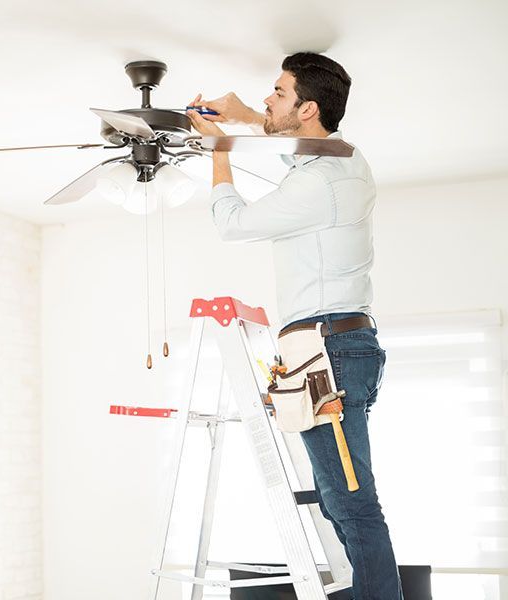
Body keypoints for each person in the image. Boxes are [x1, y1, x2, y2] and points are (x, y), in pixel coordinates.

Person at [187, 52, 404, 600]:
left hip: (326, 348)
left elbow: (232, 224)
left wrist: (220, 151)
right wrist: (242, 116)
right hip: (331, 344)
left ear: (307, 107)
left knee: (352, 501)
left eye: (278, 92)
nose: (267, 98)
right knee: (340, 499)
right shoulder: (341, 161)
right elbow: (296, 143)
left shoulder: (317, 185)